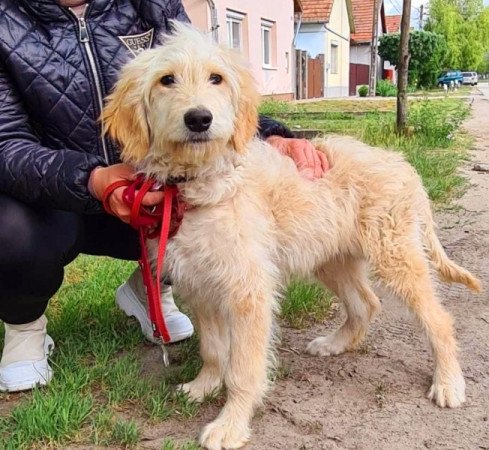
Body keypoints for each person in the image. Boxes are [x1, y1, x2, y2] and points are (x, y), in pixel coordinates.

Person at [0, 0, 328, 392]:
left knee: (213, 212)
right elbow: (6, 143)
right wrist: (92, 179)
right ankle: (24, 326)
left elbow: (205, 82)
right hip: (58, 202)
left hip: (156, 185)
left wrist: (272, 133)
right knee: (9, 230)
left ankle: (150, 286)